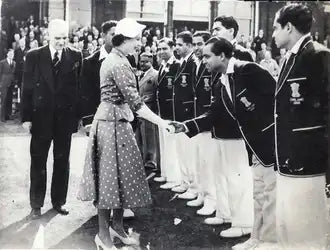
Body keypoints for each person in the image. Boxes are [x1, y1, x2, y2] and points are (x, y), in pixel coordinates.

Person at [78, 18, 171, 250]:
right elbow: (136, 103)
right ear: (124, 40)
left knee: (121, 178)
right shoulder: (118, 63)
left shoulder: (120, 58)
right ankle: (103, 234)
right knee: (109, 180)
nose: (138, 44)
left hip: (117, 123)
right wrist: (162, 122)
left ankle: (117, 228)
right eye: (135, 40)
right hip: (112, 125)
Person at [170, 38, 254, 238]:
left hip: (236, 135)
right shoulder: (219, 78)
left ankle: (244, 222)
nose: (204, 59)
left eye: (208, 56)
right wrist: (187, 125)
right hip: (220, 134)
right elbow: (213, 112)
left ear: (222, 55)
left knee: (237, 179)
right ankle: (225, 214)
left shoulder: (245, 68)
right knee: (222, 177)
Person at [272, 3, 329, 249]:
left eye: (276, 28)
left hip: (310, 158)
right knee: (290, 223)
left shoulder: (317, 54)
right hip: (288, 155)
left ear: (288, 27)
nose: (273, 34)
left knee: (309, 230)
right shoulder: (289, 58)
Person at [21, 19, 83, 219]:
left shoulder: (75, 56)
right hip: (41, 119)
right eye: (57, 38)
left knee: (62, 161)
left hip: (64, 119)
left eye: (65, 37)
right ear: (48, 36)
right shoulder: (34, 56)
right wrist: (26, 118)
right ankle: (36, 204)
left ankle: (59, 202)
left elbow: (78, 89)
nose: (62, 42)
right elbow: (27, 89)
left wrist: (77, 118)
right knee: (38, 162)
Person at [188, 31, 219, 216]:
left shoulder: (210, 66)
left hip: (207, 119)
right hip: (197, 116)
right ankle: (202, 193)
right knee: (199, 160)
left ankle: (211, 199)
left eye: (200, 43)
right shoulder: (197, 64)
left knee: (208, 162)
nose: (197, 47)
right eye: (195, 43)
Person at [153, 38, 182, 190]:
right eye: (159, 49)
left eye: (165, 48)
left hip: (171, 110)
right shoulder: (162, 66)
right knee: (163, 144)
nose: (161, 52)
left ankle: (174, 177)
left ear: (172, 49)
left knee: (171, 145)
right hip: (162, 110)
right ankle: (165, 173)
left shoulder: (177, 65)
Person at [135, 52, 159, 170]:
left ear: (151, 62)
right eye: (141, 61)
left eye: (146, 62)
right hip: (138, 110)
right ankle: (141, 159)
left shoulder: (155, 75)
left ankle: (151, 161)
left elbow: (157, 92)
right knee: (139, 136)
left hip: (149, 109)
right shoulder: (138, 75)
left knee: (149, 136)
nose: (143, 64)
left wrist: (149, 98)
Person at [0, 49, 16, 122]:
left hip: (11, 83)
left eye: (12, 54)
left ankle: (8, 115)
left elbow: (14, 73)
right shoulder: (2, 62)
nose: (11, 55)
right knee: (4, 99)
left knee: (10, 99)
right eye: (10, 54)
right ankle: (2, 117)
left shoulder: (14, 63)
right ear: (7, 54)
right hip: (4, 83)